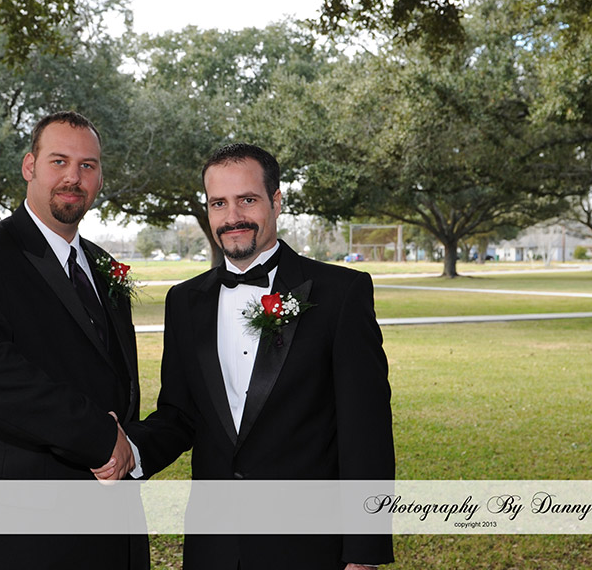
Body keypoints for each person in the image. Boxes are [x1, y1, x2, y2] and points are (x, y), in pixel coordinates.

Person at [115, 143, 395, 569]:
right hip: (214, 548)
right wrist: (130, 448)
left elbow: (366, 431)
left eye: (247, 200)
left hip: (309, 548)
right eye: (219, 203)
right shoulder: (184, 301)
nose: (233, 217)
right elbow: (180, 415)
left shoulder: (340, 294)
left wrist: (364, 552)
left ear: (276, 201)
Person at [0, 111, 147, 569]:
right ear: (29, 166)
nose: (74, 177)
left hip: (110, 527)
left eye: (87, 165)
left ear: (99, 178)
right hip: (16, 530)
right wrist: (98, 435)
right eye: (59, 161)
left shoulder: (104, 266)